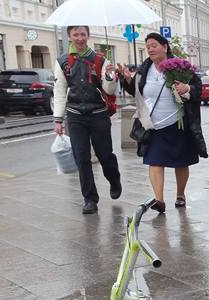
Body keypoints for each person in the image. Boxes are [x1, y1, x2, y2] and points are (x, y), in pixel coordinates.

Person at [119, 33, 208, 213]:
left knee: (181, 162)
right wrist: (128, 79)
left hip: (178, 123)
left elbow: (198, 90)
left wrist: (187, 88)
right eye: (148, 46)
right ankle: (159, 200)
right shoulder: (144, 69)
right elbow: (137, 91)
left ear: (165, 47)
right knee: (155, 161)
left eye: (154, 45)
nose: (150, 49)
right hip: (153, 124)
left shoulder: (180, 67)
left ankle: (180, 195)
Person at [53, 25, 121, 215]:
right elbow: (59, 91)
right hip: (75, 115)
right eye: (76, 34)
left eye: (83, 34)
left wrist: (110, 77)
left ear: (88, 36)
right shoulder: (63, 62)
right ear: (69, 36)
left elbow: (109, 90)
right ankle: (90, 199)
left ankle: (114, 179)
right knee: (81, 158)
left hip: (98, 113)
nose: (80, 38)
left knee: (105, 154)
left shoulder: (99, 59)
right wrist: (58, 119)